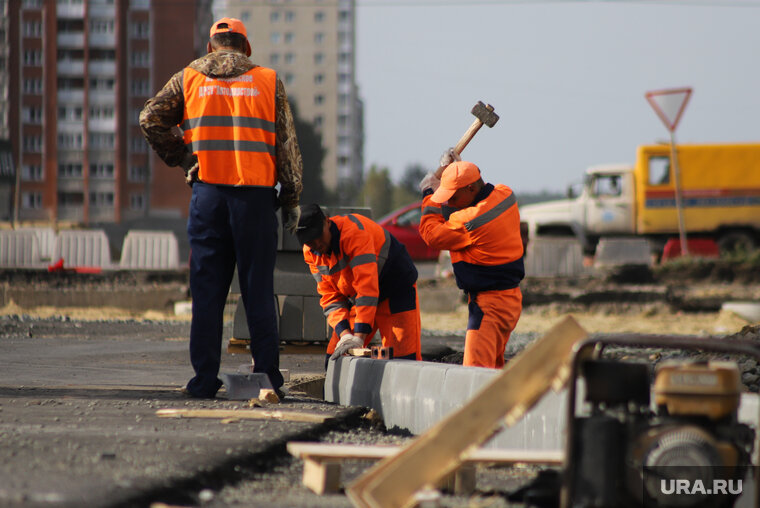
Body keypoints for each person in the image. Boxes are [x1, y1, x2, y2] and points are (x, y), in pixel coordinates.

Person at [139, 17, 303, 398]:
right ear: (245, 47)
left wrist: (181, 157)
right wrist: (292, 198)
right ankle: (267, 380)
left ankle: (203, 381)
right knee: (258, 291)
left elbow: (149, 118)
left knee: (208, 292)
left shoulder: (189, 77)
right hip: (256, 200)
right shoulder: (267, 80)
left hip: (209, 197)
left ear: (212, 46)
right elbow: (288, 147)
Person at [419, 150, 524, 368]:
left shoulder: (469, 220)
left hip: (489, 307)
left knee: (475, 375)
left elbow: (431, 234)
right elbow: (467, 203)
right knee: (493, 370)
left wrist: (429, 194)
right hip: (509, 300)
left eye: (454, 197)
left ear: (470, 188)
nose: (452, 203)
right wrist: (452, 172)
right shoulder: (506, 195)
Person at [296, 204, 421, 365]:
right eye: (310, 241)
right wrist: (346, 335)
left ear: (327, 222)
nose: (317, 244)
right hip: (361, 299)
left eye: (319, 236)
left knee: (402, 358)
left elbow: (366, 288)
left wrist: (359, 338)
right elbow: (329, 297)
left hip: (396, 289)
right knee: (335, 357)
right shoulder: (311, 252)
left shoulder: (353, 234)